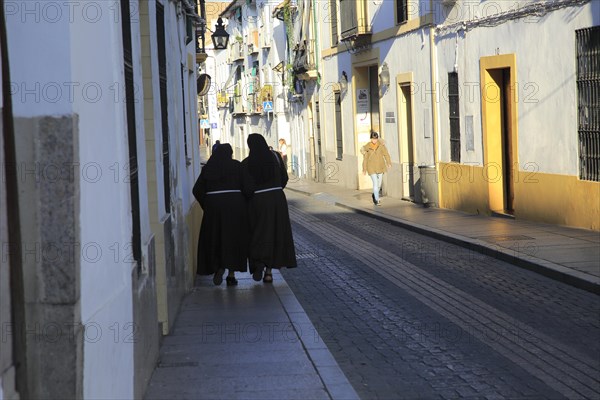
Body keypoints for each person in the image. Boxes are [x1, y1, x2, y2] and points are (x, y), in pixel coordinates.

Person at [242, 134, 296, 283]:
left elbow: (245, 186)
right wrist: (276, 190)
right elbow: (284, 178)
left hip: (257, 201)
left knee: (257, 233)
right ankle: (269, 272)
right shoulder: (276, 158)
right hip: (277, 200)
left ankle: (258, 262)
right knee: (275, 234)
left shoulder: (246, 163)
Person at [193, 144, 248, 286]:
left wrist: (208, 205)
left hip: (214, 209)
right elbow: (248, 187)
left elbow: (197, 190)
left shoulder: (208, 168)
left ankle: (218, 267)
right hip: (235, 208)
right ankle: (231, 275)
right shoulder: (237, 166)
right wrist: (243, 203)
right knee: (233, 241)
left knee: (215, 239)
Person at [360, 131, 391, 206]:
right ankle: (377, 200)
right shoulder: (367, 147)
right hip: (371, 168)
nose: (374, 141)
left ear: (377, 139)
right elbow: (365, 159)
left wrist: (388, 162)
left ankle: (374, 194)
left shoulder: (381, 146)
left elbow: (386, 154)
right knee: (375, 183)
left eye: (376, 139)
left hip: (380, 167)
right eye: (373, 139)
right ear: (371, 139)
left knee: (379, 184)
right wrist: (364, 169)